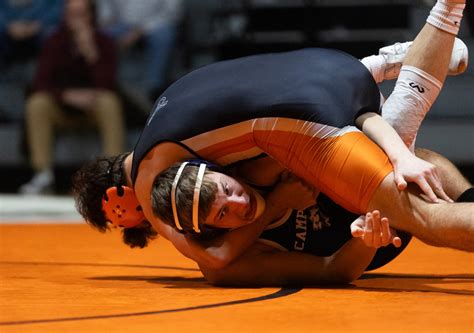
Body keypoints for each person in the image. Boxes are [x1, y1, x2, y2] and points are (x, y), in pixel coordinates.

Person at [72, 0, 473, 267]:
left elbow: (215, 261)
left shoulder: (150, 180)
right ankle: (401, 48)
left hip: (306, 121)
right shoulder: (167, 113)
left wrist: (277, 200)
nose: (148, 227)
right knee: (414, 148)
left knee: (426, 217)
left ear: (118, 202)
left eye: (128, 223)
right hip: (328, 68)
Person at [150, 147, 473, 286]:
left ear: (224, 171)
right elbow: (332, 270)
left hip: (363, 181)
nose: (240, 202)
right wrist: (366, 241)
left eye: (228, 188)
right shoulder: (233, 267)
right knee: (412, 213)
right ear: (209, 230)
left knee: (419, 166)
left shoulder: (259, 165)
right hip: (357, 244)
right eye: (224, 213)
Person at [19, 0, 125, 195]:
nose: (75, 20)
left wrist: (90, 52)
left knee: (109, 102)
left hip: (93, 108)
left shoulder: (105, 42)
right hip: (61, 108)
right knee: (37, 103)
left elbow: (108, 85)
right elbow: (40, 83)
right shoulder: (55, 41)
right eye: (71, 15)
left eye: (80, 14)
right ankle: (42, 174)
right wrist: (66, 96)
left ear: (91, 16)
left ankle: (112, 175)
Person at [97, 0, 183, 100]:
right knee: (101, 36)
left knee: (164, 36)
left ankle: (153, 88)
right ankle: (105, 85)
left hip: (156, 24)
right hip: (121, 24)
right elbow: (105, 12)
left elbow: (173, 14)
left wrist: (139, 31)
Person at [0, 0, 63, 65]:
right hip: (6, 44)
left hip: (40, 44)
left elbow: (59, 10)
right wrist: (7, 26)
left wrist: (38, 25)